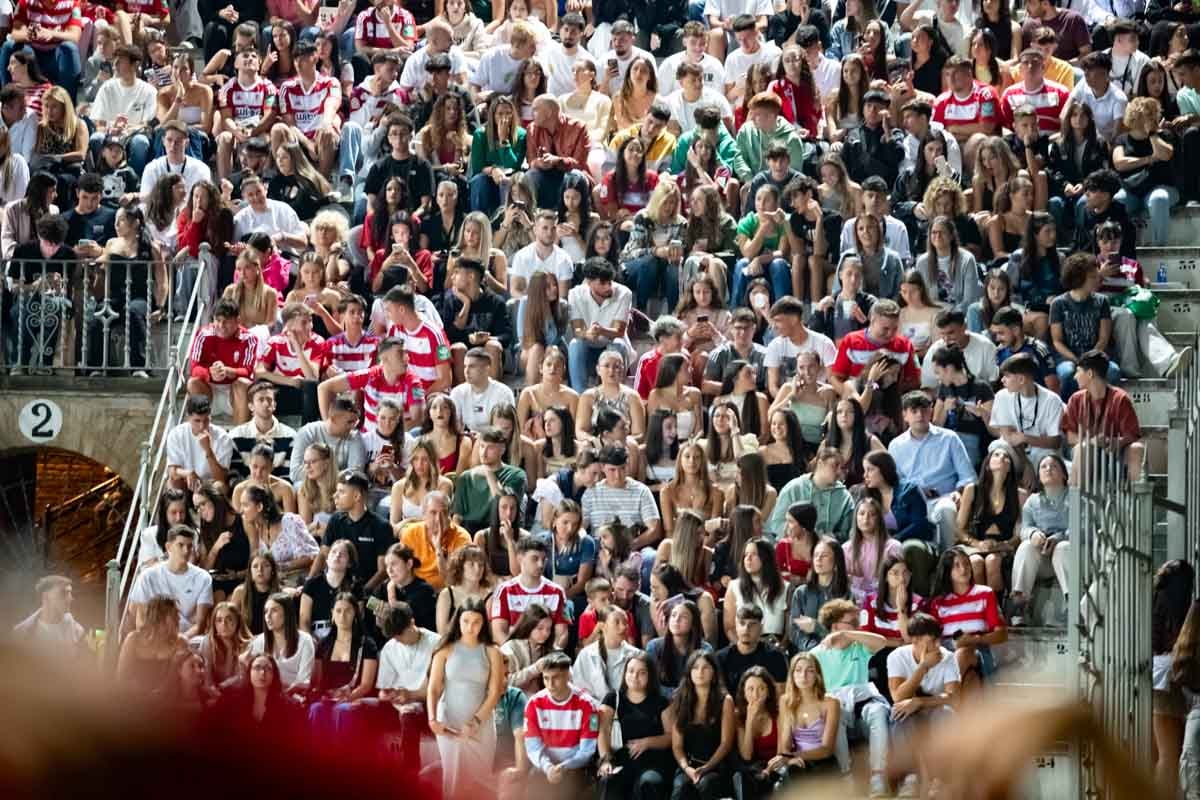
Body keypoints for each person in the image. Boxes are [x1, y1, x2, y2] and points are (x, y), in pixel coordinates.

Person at [428, 597, 506, 800]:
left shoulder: (492, 652)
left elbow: (495, 691)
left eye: (476, 622)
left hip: (482, 723)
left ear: (484, 623)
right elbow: (434, 687)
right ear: (458, 621)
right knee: (453, 780)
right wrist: (432, 719)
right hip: (449, 721)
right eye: (466, 621)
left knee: (480, 781)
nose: (470, 627)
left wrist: (476, 721)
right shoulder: (445, 648)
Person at [885, 612, 961, 796]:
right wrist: (923, 667)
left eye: (938, 640)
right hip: (909, 712)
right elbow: (898, 697)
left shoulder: (948, 657)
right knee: (900, 715)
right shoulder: (897, 657)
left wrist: (920, 702)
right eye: (932, 641)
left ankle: (939, 779)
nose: (937, 646)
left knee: (946, 714)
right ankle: (909, 778)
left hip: (934, 709)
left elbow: (954, 697)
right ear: (916, 640)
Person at [889, 391, 976, 549]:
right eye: (914, 411)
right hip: (911, 502)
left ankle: (947, 559)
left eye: (924, 410)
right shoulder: (896, 445)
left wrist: (959, 491)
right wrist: (915, 490)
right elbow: (895, 482)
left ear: (931, 411)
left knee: (946, 509)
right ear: (905, 415)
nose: (920, 415)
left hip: (944, 497)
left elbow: (968, 477)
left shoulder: (949, 438)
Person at [597, 652, 673, 800]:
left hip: (651, 764)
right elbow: (603, 731)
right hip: (620, 761)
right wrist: (605, 761)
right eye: (631, 671)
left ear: (650, 675)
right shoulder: (613, 698)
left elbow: (671, 737)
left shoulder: (661, 702)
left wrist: (647, 742)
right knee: (608, 780)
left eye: (641, 673)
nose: (634, 676)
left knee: (650, 782)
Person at [1061, 349, 1145, 481]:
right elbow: (1070, 437)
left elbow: (1132, 434)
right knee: (1084, 448)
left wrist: (1117, 442)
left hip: (1114, 453)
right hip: (1084, 453)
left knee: (1137, 449)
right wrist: (1091, 442)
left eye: (1078, 371)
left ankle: (1138, 499)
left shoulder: (1120, 398)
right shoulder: (1075, 399)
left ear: (1089, 373)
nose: (1074, 376)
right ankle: (1078, 500)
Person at [1009, 453, 1070, 626]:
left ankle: (1071, 604)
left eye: (1053, 466)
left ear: (1064, 475)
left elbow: (1081, 528)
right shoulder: (1032, 501)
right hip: (1042, 559)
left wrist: (1057, 538)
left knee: (1062, 547)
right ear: (1039, 476)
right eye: (1043, 466)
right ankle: (1019, 604)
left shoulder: (1075, 498)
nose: (1048, 469)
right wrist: (1033, 534)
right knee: (1026, 546)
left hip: (1069, 557)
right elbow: (1024, 528)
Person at [668, 650, 736, 800]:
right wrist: (687, 768)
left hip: (716, 764)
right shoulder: (679, 699)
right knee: (681, 788)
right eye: (695, 667)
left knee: (707, 785)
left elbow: (726, 744)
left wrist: (706, 768)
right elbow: (677, 745)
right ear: (689, 672)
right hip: (688, 764)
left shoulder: (725, 701)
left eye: (705, 667)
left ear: (714, 673)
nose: (700, 672)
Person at [990, 352, 1065, 484]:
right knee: (998, 447)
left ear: (1021, 380)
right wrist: (1026, 465)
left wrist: (1025, 438)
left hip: (1042, 451)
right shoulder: (1002, 396)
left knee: (1048, 459)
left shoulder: (1052, 400)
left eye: (1007, 376)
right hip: (1016, 452)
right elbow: (1009, 436)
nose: (1002, 380)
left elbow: (1055, 442)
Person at [567, 258, 634, 394]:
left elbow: (619, 331)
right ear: (589, 282)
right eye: (602, 283)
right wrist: (587, 334)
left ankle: (616, 394)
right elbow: (577, 329)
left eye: (610, 282)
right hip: (588, 346)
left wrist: (601, 330)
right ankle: (580, 396)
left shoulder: (624, 293)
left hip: (611, 344)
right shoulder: (575, 294)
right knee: (575, 344)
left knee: (619, 344)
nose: (608, 287)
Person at [767, 447, 853, 539]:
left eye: (842, 467)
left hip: (828, 549)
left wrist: (827, 539)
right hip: (794, 545)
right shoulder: (794, 488)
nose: (839, 472)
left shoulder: (845, 497)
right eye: (835, 465)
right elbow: (776, 523)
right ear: (820, 463)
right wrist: (800, 535)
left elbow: (847, 532)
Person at [288, 397, 368, 484]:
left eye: (355, 422)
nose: (353, 427)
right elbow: (295, 473)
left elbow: (355, 475)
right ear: (333, 419)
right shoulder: (308, 432)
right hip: (310, 486)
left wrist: (319, 472)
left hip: (339, 488)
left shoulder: (355, 436)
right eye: (349, 422)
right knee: (299, 486)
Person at [165, 394, 232, 493]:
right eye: (197, 421)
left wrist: (208, 450)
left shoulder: (222, 437)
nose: (202, 426)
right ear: (188, 417)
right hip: (187, 481)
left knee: (220, 486)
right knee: (173, 483)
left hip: (211, 484)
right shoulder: (176, 434)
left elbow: (221, 477)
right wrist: (188, 473)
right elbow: (172, 471)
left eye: (206, 420)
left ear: (210, 416)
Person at [11, 574, 86, 658]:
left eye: (70, 593)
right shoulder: (21, 634)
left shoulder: (78, 632)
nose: (70, 598)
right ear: (45, 596)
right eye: (63, 593)